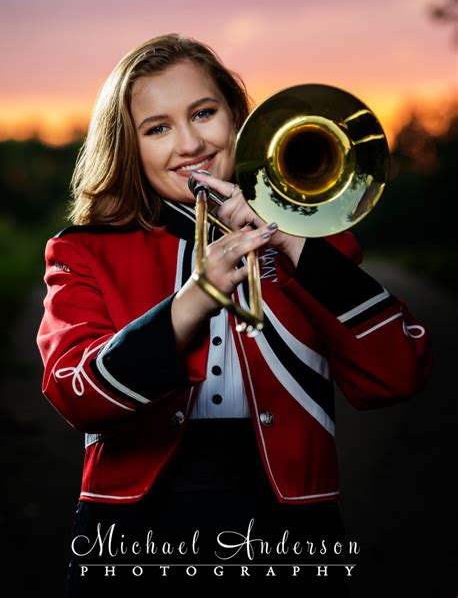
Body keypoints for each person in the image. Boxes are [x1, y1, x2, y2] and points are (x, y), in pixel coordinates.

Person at [37, 33, 432, 595]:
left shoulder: (313, 241)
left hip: (292, 526)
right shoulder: (84, 250)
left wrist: (291, 241)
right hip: (133, 529)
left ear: (237, 117)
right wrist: (194, 299)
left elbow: (398, 374)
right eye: (157, 128)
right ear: (128, 148)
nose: (190, 143)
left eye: (204, 113)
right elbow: (75, 394)